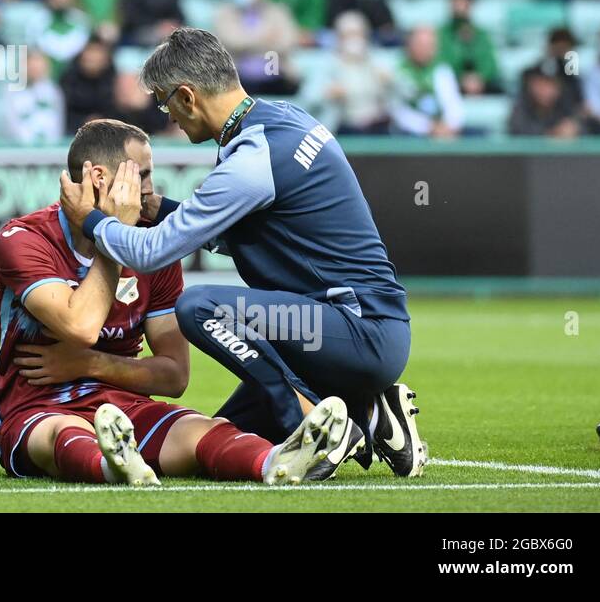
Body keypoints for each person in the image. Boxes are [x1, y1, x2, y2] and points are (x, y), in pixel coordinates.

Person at [57, 28, 424, 478]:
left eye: (164, 101)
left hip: (358, 332)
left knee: (199, 306)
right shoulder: (282, 119)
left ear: (188, 97)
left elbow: (152, 253)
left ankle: (307, 415)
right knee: (225, 437)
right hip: (343, 327)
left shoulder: (252, 159)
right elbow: (263, 238)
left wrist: (90, 220)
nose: (167, 115)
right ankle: (369, 412)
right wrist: (161, 209)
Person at [0, 119, 358, 486]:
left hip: (124, 407)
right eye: (144, 175)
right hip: (36, 408)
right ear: (100, 178)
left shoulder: (154, 247)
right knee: (63, 433)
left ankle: (278, 460)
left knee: (202, 429)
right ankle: (113, 466)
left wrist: (89, 364)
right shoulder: (23, 238)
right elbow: (81, 325)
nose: (151, 190)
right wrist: (112, 237)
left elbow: (173, 375)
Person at [393, 25, 465, 137]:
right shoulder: (398, 71)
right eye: (420, 44)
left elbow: (453, 103)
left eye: (429, 45)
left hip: (445, 131)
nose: (424, 49)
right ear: (409, 45)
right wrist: (428, 127)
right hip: (411, 134)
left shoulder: (442, 70)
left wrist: (449, 126)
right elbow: (398, 111)